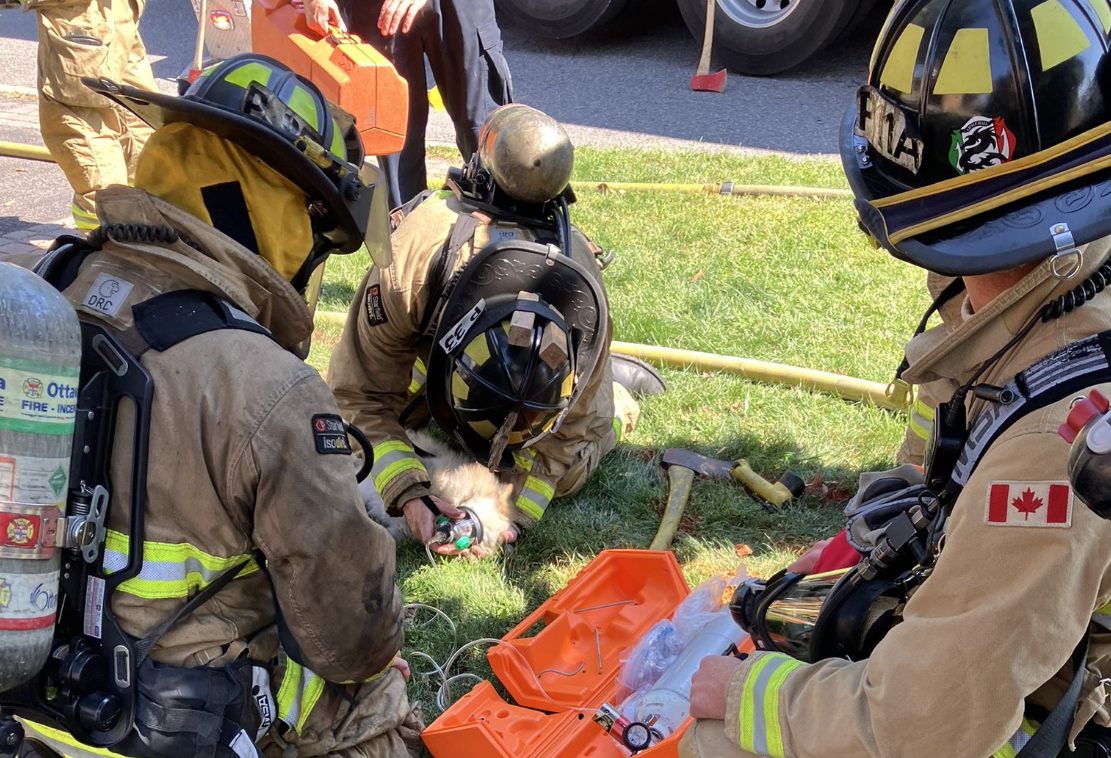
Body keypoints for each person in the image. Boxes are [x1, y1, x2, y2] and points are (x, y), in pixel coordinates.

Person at [683, 0, 1111, 756]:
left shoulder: (1056, 439)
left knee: (716, 739)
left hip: (1070, 709)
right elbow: (943, 451)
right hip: (1033, 632)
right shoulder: (1029, 292)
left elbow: (923, 726)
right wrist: (857, 548)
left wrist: (750, 694)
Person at [7, 54, 421, 758]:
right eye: (310, 225)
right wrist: (372, 657)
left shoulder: (53, 286)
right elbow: (349, 634)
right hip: (175, 713)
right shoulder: (262, 385)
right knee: (372, 695)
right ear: (266, 209)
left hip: (37, 676)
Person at [327, 104, 664, 557]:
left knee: (571, 467)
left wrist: (507, 515)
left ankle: (616, 396)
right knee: (355, 445)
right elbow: (358, 394)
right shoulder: (420, 250)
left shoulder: (583, 298)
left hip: (543, 401)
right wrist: (408, 493)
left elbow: (566, 436)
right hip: (437, 374)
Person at [303, 0, 512, 209]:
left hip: (459, 6)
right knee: (396, 144)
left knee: (489, 140)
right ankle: (405, 235)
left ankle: (504, 232)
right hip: (371, 9)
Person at [10, 0, 158, 230]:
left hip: (80, 14)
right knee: (133, 112)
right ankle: (154, 223)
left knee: (83, 125)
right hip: (108, 11)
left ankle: (112, 240)